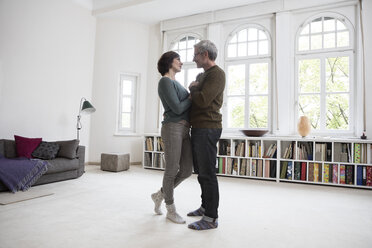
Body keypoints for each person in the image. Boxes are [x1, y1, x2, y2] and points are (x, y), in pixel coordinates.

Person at [187, 40, 226, 230]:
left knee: (208, 173)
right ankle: (205, 207)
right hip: (199, 127)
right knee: (201, 173)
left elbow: (201, 101)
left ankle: (211, 218)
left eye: (195, 54)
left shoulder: (217, 74)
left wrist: (193, 88)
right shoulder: (202, 75)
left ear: (205, 54)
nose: (193, 58)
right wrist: (194, 88)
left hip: (208, 128)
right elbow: (195, 100)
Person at [151, 51, 193, 224]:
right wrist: (192, 96)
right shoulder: (165, 81)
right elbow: (176, 108)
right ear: (169, 62)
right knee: (171, 169)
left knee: (186, 170)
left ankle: (160, 194)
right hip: (172, 128)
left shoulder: (175, 83)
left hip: (184, 129)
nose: (181, 63)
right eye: (178, 60)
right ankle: (170, 209)